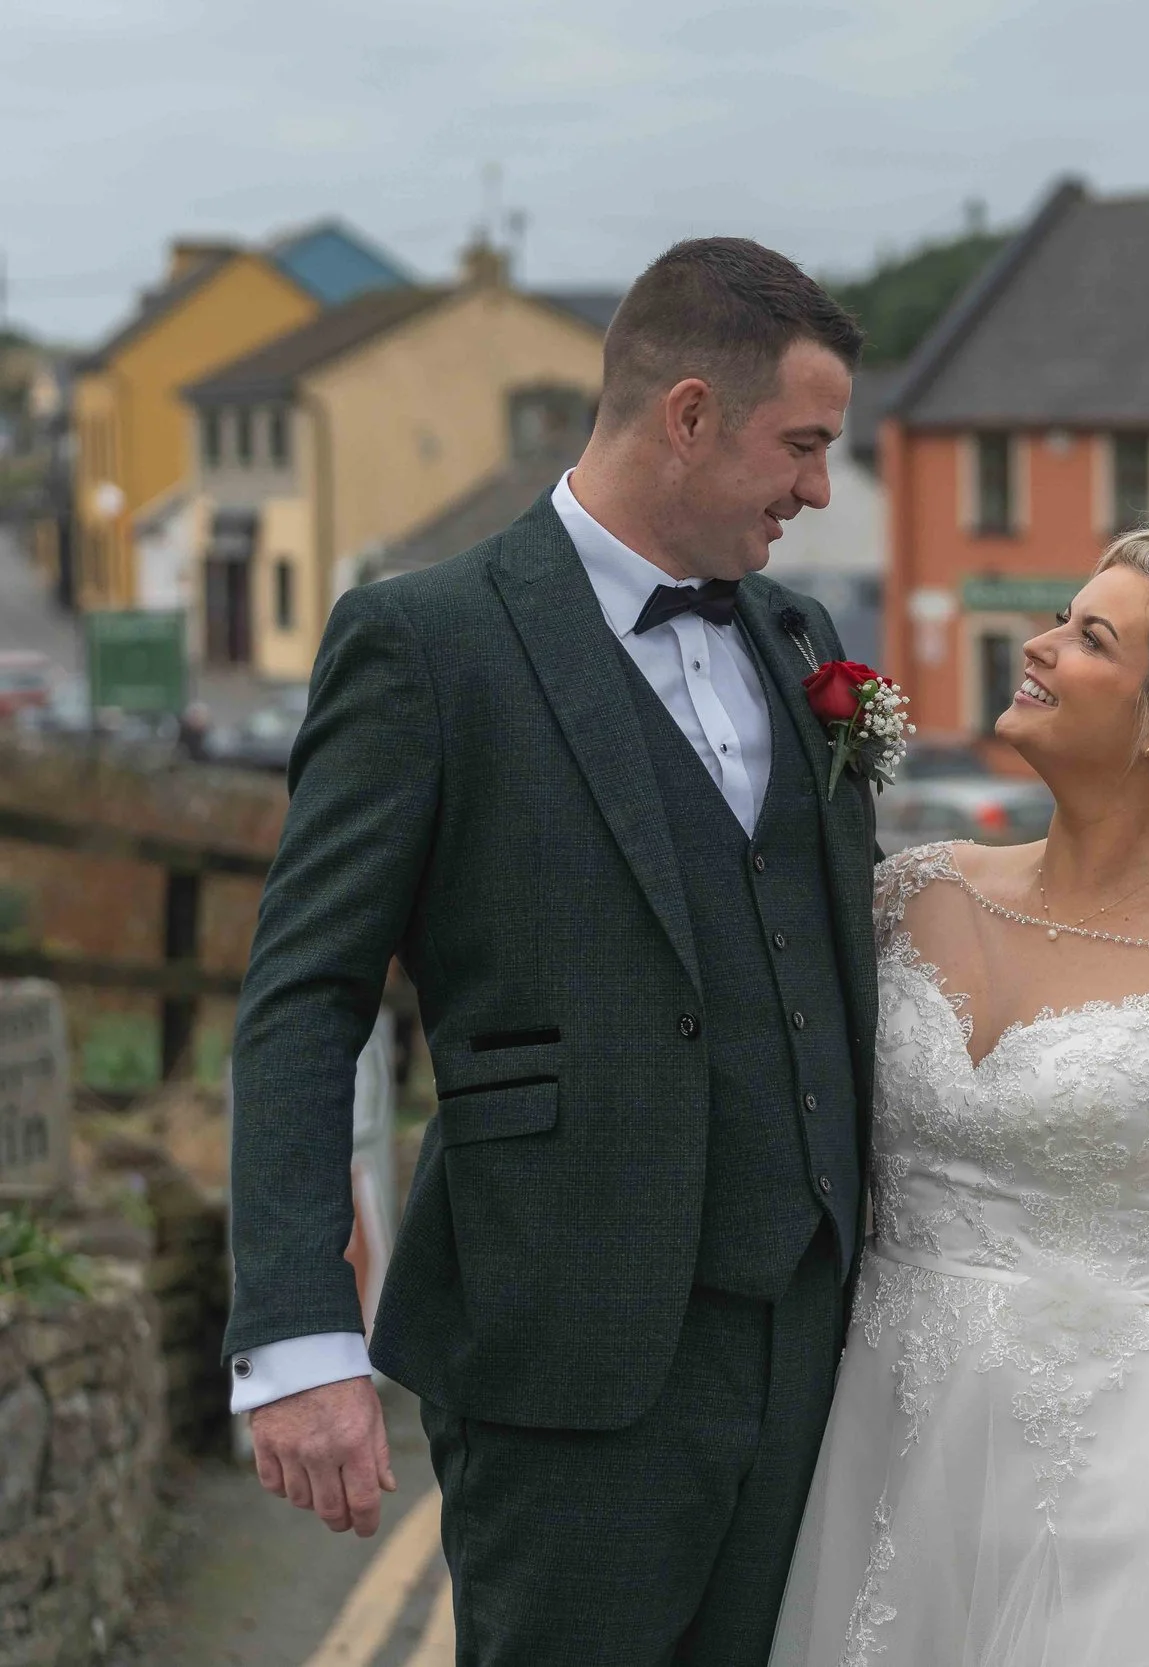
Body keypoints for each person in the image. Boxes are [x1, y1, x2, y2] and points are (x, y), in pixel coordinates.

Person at [223, 237, 877, 1665]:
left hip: (813, 1338)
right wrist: (297, 1335)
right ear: (689, 414)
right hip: (563, 1343)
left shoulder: (799, 632)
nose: (819, 490)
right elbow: (301, 998)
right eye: (804, 445)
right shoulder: (427, 641)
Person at [768, 521, 1149, 1666]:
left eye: (1088, 637)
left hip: (1137, 1486)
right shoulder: (911, 895)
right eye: (1058, 618)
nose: (1039, 647)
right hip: (891, 1452)